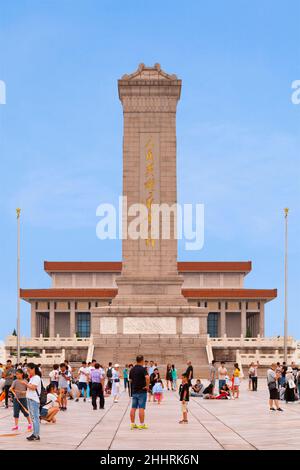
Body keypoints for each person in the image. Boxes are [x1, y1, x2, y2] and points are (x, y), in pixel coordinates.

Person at [129, 355, 150, 430]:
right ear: (142, 360)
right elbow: (147, 377)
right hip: (142, 391)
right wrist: (147, 386)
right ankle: (142, 424)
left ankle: (132, 424)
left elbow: (130, 380)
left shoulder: (132, 369)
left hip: (134, 391)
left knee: (133, 407)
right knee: (141, 407)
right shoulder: (143, 369)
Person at [23, 363, 42, 441]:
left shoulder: (36, 377)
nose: (28, 372)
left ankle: (36, 435)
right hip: (30, 399)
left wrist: (26, 384)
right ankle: (35, 433)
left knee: (35, 418)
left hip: (34, 400)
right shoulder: (32, 378)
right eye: (27, 370)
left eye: (29, 370)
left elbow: (33, 387)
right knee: (33, 418)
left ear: (33, 369)